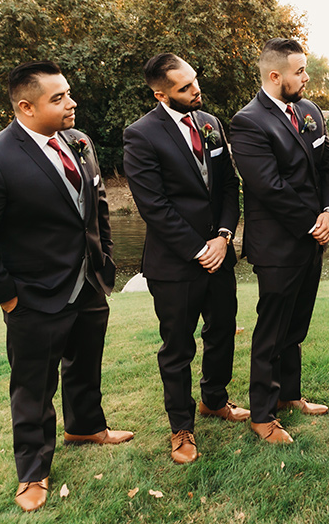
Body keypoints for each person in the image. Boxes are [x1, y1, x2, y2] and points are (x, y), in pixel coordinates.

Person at [0, 60, 132, 513]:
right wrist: (7, 295)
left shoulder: (79, 142)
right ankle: (33, 471)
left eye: (68, 93)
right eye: (59, 98)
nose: (71, 103)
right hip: (32, 295)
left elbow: (97, 206)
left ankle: (85, 425)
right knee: (33, 387)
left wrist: (103, 261)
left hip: (88, 283)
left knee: (85, 364)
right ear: (26, 108)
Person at [122, 53, 246, 465]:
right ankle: (181, 429)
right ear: (161, 94)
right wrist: (199, 248)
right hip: (175, 264)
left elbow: (229, 184)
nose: (196, 90)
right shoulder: (140, 135)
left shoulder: (210, 123)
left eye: (195, 81)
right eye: (185, 87)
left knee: (223, 330)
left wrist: (224, 237)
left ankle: (215, 400)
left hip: (220, 254)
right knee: (177, 348)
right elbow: (153, 206)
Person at [230, 38, 329, 444]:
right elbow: (269, 188)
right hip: (278, 245)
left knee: (296, 325)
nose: (306, 77)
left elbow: (327, 166)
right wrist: (313, 222)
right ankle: (262, 414)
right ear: (275, 76)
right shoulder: (248, 122)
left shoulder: (309, 111)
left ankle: (289, 395)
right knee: (271, 330)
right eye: (299, 71)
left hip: (314, 237)